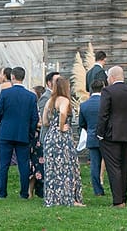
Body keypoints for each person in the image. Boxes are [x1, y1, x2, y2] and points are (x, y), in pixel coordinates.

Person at [0, 66, 38, 199]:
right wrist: (30, 132)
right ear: (23, 78)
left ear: (12, 77)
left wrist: (4, 121)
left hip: (6, 132)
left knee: (4, 165)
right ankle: (24, 193)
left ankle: (2, 193)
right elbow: (34, 118)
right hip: (23, 133)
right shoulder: (31, 96)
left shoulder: (6, 93)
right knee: (23, 164)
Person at [96, 65, 127, 207]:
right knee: (124, 167)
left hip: (111, 135)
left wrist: (100, 133)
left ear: (112, 77)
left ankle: (118, 200)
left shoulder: (108, 91)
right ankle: (124, 197)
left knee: (113, 167)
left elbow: (103, 114)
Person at [41, 76, 84, 207]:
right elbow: (63, 113)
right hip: (62, 138)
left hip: (50, 137)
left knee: (52, 169)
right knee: (66, 167)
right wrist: (61, 126)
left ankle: (54, 198)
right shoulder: (64, 100)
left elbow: (44, 119)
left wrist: (49, 123)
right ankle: (69, 198)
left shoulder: (50, 100)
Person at [77, 78, 106, 197]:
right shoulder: (105, 102)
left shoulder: (84, 105)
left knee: (95, 164)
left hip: (92, 136)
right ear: (103, 88)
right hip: (106, 137)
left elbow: (81, 123)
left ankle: (97, 190)